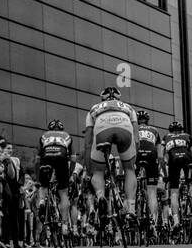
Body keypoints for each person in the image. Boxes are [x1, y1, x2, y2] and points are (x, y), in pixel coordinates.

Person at [81, 87, 139, 227]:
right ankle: (131, 209)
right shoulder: (128, 108)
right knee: (129, 170)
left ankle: (101, 196)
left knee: (98, 172)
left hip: (102, 129)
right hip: (125, 128)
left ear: (103, 98)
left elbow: (88, 142)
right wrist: (132, 162)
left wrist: (90, 167)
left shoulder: (94, 108)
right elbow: (136, 139)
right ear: (118, 98)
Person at [37, 118, 75, 238]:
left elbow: (37, 159)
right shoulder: (67, 136)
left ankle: (42, 201)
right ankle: (64, 224)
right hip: (61, 158)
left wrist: (38, 175)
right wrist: (69, 173)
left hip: (46, 157)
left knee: (43, 186)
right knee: (63, 193)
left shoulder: (44, 135)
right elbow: (73, 158)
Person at [162, 120, 192, 229]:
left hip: (173, 160)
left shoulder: (166, 137)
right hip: (187, 159)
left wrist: (166, 175)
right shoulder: (187, 136)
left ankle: (176, 221)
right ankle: (191, 202)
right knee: (191, 183)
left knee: (174, 192)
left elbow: (164, 157)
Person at [134, 109, 163, 232]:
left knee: (131, 183)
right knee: (152, 192)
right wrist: (159, 168)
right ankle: (153, 221)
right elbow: (160, 155)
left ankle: (133, 208)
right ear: (147, 120)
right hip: (152, 155)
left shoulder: (132, 128)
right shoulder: (155, 130)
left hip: (137, 154)